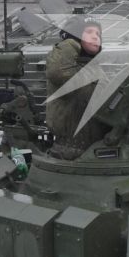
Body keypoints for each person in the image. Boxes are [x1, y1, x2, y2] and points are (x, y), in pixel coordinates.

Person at [44, 18, 106, 157]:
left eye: (98, 33)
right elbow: (59, 73)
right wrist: (70, 41)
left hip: (95, 149)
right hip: (69, 151)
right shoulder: (64, 63)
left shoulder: (93, 67)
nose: (95, 36)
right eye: (89, 32)